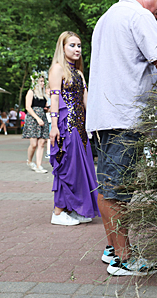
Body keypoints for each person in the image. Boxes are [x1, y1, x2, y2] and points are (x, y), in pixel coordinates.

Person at [86, 0, 157, 276]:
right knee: (118, 191)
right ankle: (123, 259)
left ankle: (112, 250)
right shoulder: (139, 16)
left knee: (108, 187)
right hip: (125, 117)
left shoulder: (107, 16)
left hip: (105, 116)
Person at [48, 31, 100, 226]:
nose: (77, 49)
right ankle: (58, 212)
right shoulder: (57, 69)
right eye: (72, 45)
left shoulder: (78, 73)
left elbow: (86, 100)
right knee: (66, 168)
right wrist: (54, 126)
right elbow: (54, 98)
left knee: (81, 170)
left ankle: (74, 209)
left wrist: (94, 123)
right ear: (62, 48)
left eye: (79, 45)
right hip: (66, 126)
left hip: (81, 129)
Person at [22, 75, 50, 172]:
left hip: (43, 118)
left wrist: (49, 110)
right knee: (33, 144)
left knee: (42, 143)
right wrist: (37, 118)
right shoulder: (31, 92)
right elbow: (28, 107)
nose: (43, 83)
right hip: (33, 119)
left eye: (43, 81)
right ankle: (29, 161)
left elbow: (45, 108)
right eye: (41, 81)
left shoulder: (43, 95)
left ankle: (39, 165)